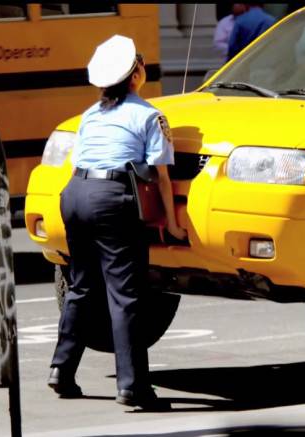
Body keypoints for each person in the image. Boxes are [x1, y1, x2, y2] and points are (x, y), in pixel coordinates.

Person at [47, 34, 186, 410]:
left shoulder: (91, 114)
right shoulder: (148, 115)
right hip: (111, 200)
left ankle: (61, 369)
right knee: (125, 296)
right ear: (135, 72)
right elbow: (160, 176)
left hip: (74, 194)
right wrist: (172, 225)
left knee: (81, 285)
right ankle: (133, 387)